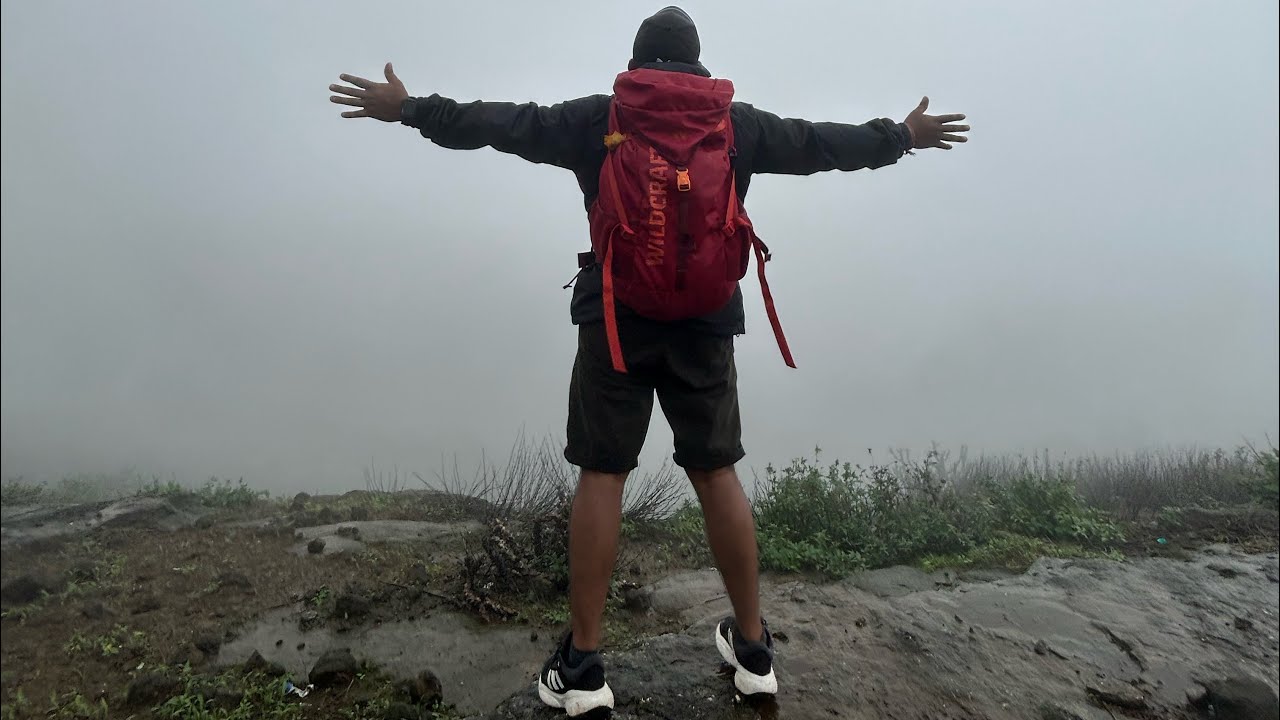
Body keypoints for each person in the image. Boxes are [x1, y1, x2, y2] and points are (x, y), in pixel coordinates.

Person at [330, 6, 968, 717]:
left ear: (637, 62)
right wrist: (902, 136)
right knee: (715, 468)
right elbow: (823, 143)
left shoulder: (600, 118)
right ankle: (754, 651)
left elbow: (501, 124)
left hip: (615, 318)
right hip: (705, 323)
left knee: (603, 473)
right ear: (697, 64)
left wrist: (412, 108)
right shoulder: (737, 125)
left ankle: (584, 667)